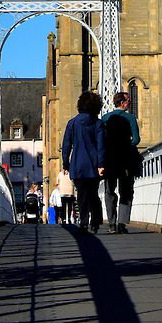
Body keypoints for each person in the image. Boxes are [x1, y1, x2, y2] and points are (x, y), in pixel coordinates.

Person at [61, 90, 105, 233]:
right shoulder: (98, 123)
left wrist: (65, 164)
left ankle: (84, 222)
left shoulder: (72, 123)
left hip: (78, 164)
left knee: (81, 194)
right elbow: (101, 145)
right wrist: (101, 164)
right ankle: (96, 220)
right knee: (93, 193)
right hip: (93, 164)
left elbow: (66, 145)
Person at [102, 90, 141, 233]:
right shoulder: (130, 118)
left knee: (109, 191)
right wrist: (127, 146)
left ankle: (111, 223)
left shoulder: (105, 118)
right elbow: (136, 139)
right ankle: (122, 223)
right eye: (128, 100)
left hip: (109, 160)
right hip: (125, 160)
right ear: (122, 103)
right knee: (126, 191)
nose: (130, 103)